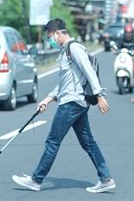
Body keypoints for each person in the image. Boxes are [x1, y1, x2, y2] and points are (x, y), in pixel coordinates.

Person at [12, 18, 116, 193]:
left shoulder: (74, 48)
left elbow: (89, 71)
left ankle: (36, 180)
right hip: (75, 102)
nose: (50, 40)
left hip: (71, 103)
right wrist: (48, 98)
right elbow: (65, 82)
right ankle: (105, 179)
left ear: (59, 33)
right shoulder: (65, 51)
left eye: (51, 36)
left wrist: (99, 95)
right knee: (88, 143)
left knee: (53, 141)